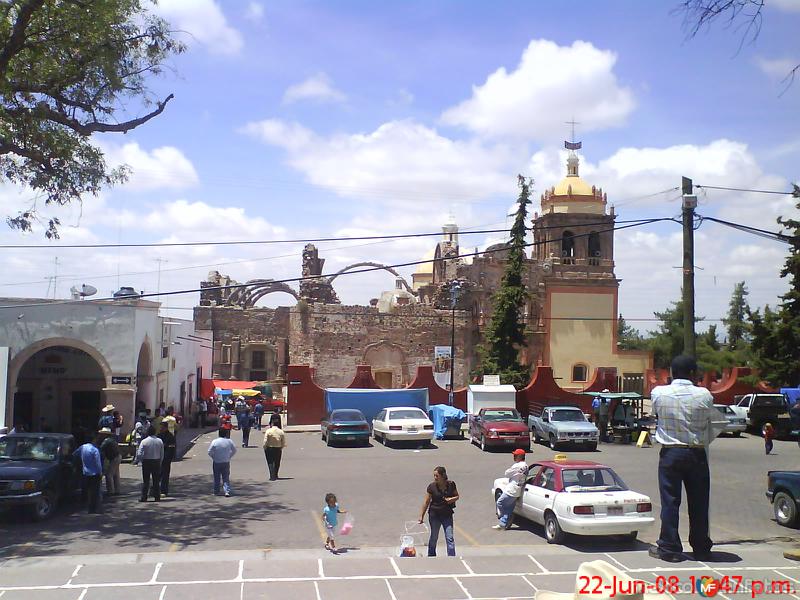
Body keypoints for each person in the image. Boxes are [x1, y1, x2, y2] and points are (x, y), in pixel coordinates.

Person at [649, 354, 717, 563]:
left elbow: (655, 415)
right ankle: (701, 548)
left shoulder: (658, 393)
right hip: (696, 452)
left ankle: (669, 548)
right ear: (692, 373)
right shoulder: (704, 395)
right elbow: (710, 421)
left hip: (671, 452)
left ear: (671, 373)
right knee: (699, 503)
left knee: (670, 502)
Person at [418, 466, 459, 557]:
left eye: (437, 476)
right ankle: (431, 555)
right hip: (434, 515)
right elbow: (426, 502)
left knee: (450, 537)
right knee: (434, 537)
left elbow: (457, 496)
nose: (435, 478)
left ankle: (452, 557)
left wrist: (451, 499)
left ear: (443, 475)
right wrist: (421, 516)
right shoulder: (431, 487)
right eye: (434, 476)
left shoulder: (451, 484)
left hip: (447, 515)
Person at [493, 448, 529, 530]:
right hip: (518, 489)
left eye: (515, 455)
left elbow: (507, 473)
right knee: (509, 507)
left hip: (511, 489)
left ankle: (506, 518)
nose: (514, 456)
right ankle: (503, 523)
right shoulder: (526, 466)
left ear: (520, 456)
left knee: (500, 503)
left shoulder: (517, 465)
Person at [73, 434, 104, 514]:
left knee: (86, 490)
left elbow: (75, 454)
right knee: (95, 492)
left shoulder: (82, 447)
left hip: (85, 472)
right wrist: (100, 472)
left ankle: (86, 507)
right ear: (93, 440)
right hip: (95, 474)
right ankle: (94, 509)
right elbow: (98, 463)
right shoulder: (94, 450)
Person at [133, 425, 164, 502]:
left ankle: (144, 497)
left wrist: (141, 460)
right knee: (156, 480)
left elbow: (139, 453)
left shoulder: (144, 441)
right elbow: (162, 453)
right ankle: (157, 497)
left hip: (146, 461)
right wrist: (160, 461)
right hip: (156, 461)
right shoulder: (159, 441)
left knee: (146, 481)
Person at [208, 428, 237, 496]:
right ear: (226, 434)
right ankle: (227, 491)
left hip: (217, 461)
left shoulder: (215, 441)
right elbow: (234, 450)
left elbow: (209, 452)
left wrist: (214, 457)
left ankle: (216, 491)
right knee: (226, 477)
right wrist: (229, 456)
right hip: (226, 461)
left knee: (216, 477)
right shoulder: (229, 441)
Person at [263, 413, 287, 481]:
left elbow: (265, 440)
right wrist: (281, 447)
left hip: (269, 448)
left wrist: (264, 447)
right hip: (278, 448)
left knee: (270, 462)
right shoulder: (281, 432)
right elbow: (283, 441)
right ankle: (276, 474)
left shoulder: (268, 431)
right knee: (277, 462)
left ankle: (272, 475)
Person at [99, 427, 121, 496]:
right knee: (116, 474)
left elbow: (101, 449)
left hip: (114, 458)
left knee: (109, 475)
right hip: (118, 456)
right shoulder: (112, 440)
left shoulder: (106, 441)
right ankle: (117, 490)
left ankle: (111, 491)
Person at [158, 421, 177, 496]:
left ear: (165, 428)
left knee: (165, 476)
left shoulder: (170, 437)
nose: (160, 429)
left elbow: (171, 449)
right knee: (157, 475)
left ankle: (164, 491)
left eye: (162, 427)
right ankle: (155, 490)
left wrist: (167, 459)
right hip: (158, 459)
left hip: (165, 459)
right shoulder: (159, 435)